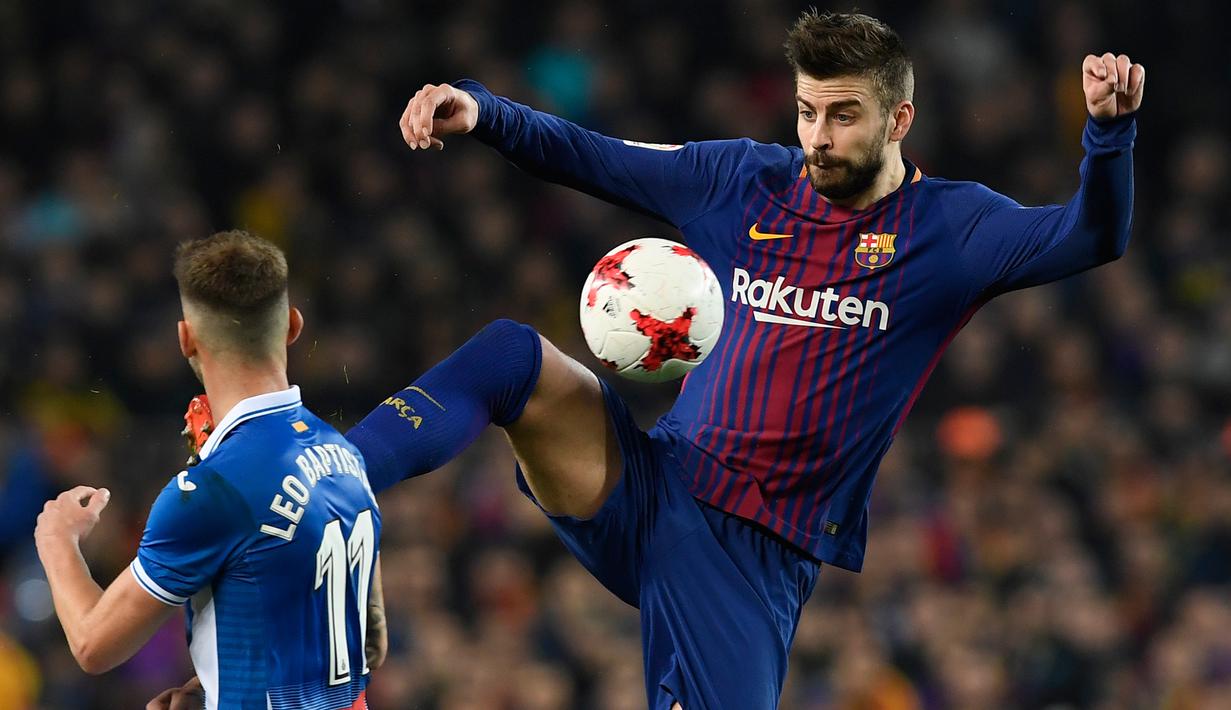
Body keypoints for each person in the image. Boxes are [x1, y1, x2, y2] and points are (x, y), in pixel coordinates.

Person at [347, 10, 1144, 709]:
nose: (818, 139)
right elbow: (590, 154)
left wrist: (1107, 135)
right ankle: (328, 478)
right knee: (510, 356)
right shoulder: (742, 179)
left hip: (747, 552)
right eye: (805, 113)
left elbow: (1088, 236)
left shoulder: (953, 229)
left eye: (843, 117)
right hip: (649, 479)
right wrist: (482, 111)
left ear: (898, 119)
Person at [34, 230, 387, 709]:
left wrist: (57, 539)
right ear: (293, 325)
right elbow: (351, 643)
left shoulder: (213, 490)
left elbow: (93, 645)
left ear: (185, 339)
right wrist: (210, 687)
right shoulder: (345, 456)